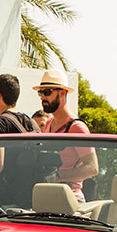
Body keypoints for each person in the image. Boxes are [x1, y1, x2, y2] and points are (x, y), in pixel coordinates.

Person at [34, 68, 98, 201]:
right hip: (48, 198)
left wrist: (58, 176)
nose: (42, 97)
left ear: (62, 93)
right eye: (40, 93)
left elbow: (92, 168)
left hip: (71, 200)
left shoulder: (77, 128)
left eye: (47, 92)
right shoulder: (49, 123)